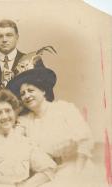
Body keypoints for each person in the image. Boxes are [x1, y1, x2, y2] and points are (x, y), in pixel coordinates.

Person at [7, 51, 95, 186]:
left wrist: (77, 173)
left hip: (75, 167)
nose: (26, 96)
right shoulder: (25, 121)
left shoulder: (64, 109)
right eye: (22, 93)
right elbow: (16, 145)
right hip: (47, 174)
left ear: (43, 90)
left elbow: (85, 140)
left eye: (31, 90)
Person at [0, 89, 57, 187]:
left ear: (14, 113)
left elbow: (49, 168)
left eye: (8, 111)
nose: (5, 116)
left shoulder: (24, 142)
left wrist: (26, 185)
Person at [0, 19, 44, 90]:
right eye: (0, 36)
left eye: (9, 35)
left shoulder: (32, 60)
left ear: (17, 37)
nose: (4, 40)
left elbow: (45, 91)